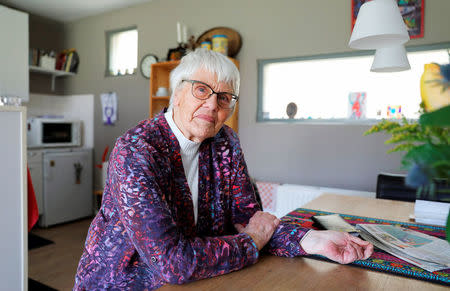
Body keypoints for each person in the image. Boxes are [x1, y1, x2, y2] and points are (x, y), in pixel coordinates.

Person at [74, 49, 373, 290]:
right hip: (123, 283)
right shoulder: (136, 151)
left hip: (203, 279)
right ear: (176, 94)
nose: (213, 104)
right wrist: (251, 242)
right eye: (201, 90)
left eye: (224, 97)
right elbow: (171, 262)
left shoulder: (225, 142)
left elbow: (249, 219)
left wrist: (313, 241)